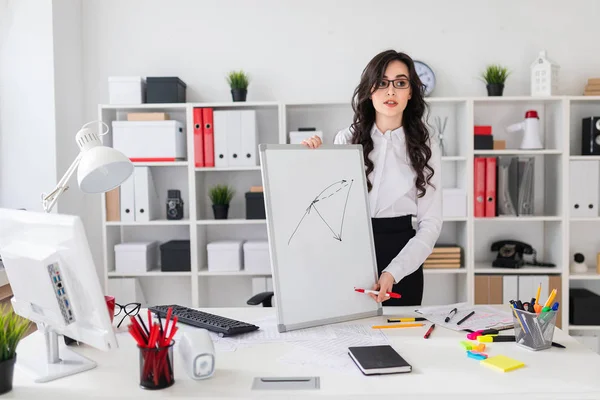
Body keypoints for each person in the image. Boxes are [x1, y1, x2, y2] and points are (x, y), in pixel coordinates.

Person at [302, 49, 442, 306]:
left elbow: (431, 223)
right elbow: (330, 210)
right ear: (369, 90)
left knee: (404, 342)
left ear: (410, 92)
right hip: (352, 254)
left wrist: (394, 271)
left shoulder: (426, 145)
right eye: (382, 83)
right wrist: (313, 163)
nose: (391, 92)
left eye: (400, 83)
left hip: (403, 258)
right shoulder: (346, 139)